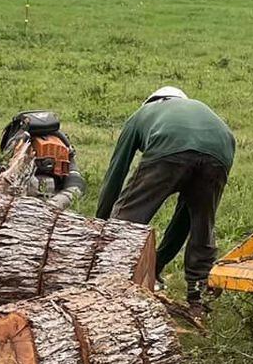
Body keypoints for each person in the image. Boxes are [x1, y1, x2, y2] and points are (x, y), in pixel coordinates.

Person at [95, 87, 235, 311]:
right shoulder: (194, 108)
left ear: (149, 101)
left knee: (128, 218)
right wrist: (157, 264)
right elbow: (182, 224)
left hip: (169, 144)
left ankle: (107, 282)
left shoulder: (141, 115)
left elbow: (116, 173)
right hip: (220, 149)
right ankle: (198, 297)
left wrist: (100, 227)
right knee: (201, 222)